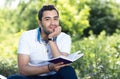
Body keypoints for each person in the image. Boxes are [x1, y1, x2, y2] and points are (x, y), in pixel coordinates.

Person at [7, 5, 78, 79]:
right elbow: (23, 70)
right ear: (40, 23)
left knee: (68, 70)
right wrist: (49, 68)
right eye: (47, 19)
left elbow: (60, 64)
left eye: (55, 19)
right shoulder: (27, 36)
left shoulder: (65, 37)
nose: (52, 23)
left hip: (55, 77)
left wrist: (51, 38)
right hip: (33, 77)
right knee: (14, 78)